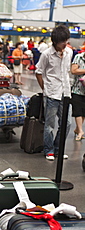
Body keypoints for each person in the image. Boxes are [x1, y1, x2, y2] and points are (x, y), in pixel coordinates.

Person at [35, 25, 72, 161]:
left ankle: (59, 149)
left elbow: (66, 71)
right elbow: (38, 72)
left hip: (66, 92)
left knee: (66, 123)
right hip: (51, 93)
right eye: (62, 41)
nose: (65, 44)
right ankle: (49, 149)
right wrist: (45, 88)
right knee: (50, 124)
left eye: (66, 40)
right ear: (55, 41)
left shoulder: (69, 53)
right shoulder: (46, 54)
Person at [71, 51, 85, 141]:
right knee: (78, 111)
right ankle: (80, 131)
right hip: (77, 89)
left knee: (83, 112)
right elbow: (73, 70)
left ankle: (77, 129)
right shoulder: (78, 57)